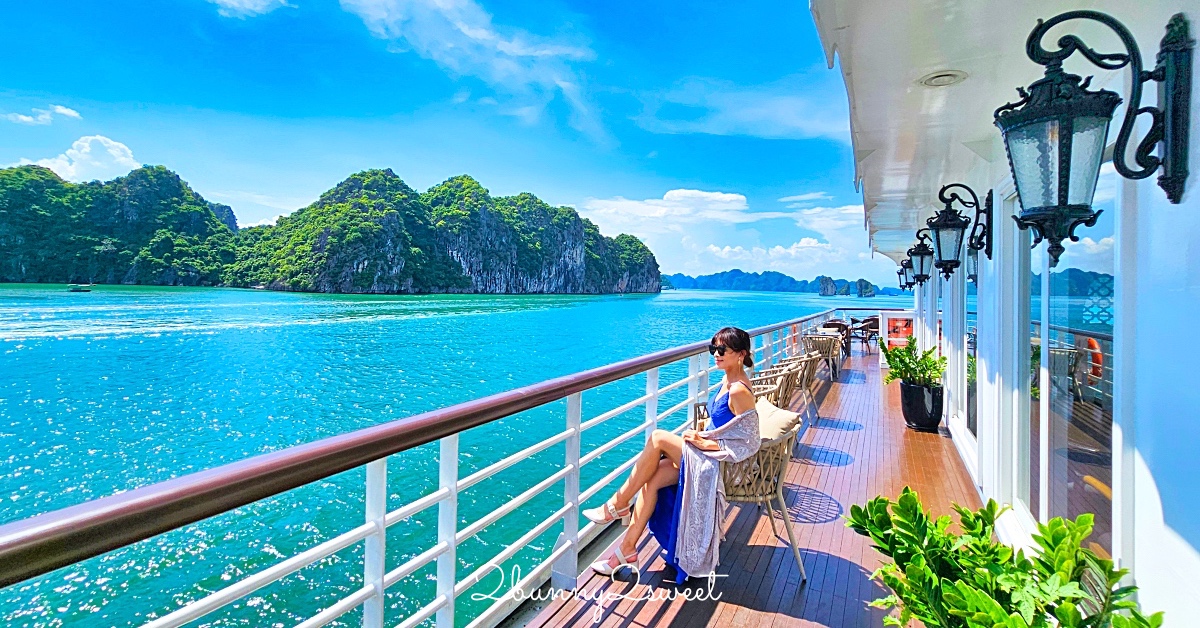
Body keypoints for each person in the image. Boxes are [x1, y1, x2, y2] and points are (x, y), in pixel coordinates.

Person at [582, 326, 759, 578]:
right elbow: (725, 426)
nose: (716, 354)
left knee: (658, 438)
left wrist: (706, 442)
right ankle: (626, 551)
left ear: (740, 354)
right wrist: (702, 434)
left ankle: (617, 504)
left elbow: (750, 441)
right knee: (651, 480)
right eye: (713, 349)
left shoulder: (739, 390)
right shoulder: (727, 379)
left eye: (722, 350)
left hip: (713, 464)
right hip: (703, 454)